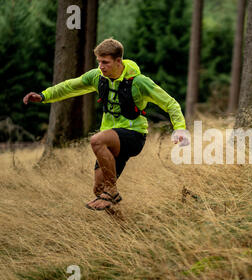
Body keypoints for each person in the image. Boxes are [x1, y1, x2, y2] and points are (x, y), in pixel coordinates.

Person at [23, 38, 189, 211]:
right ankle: (122, 228)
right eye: (99, 62)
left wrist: (179, 128)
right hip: (110, 137)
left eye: (105, 62)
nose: (101, 66)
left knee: (96, 141)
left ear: (119, 61)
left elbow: (170, 103)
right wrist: (43, 96)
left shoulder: (139, 82)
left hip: (133, 135)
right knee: (98, 190)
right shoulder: (97, 77)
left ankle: (112, 190)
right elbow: (69, 86)